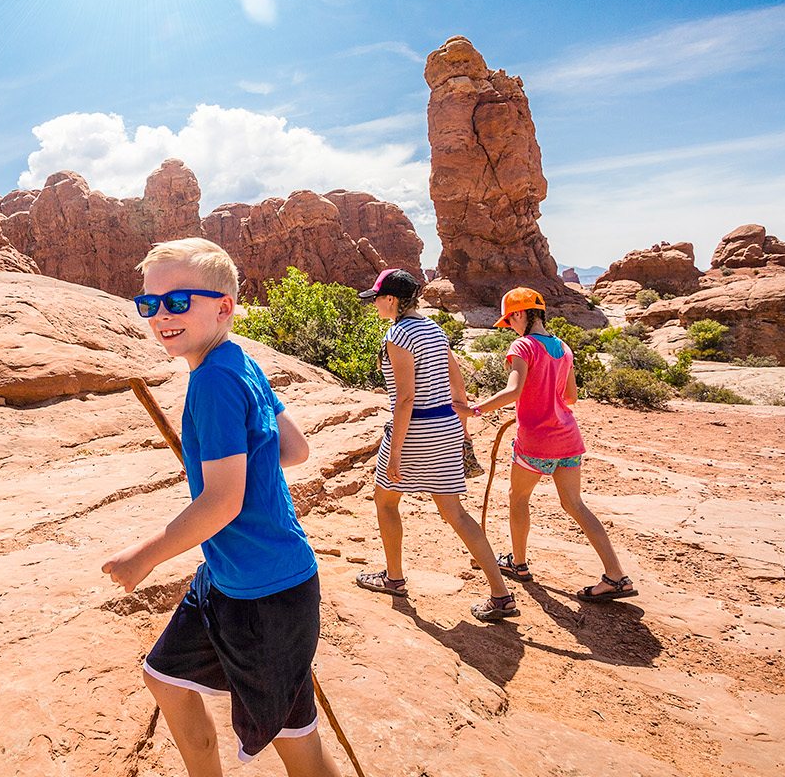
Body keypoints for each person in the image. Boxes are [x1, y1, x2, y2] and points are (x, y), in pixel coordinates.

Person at [102, 238, 340, 776]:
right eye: (149, 304)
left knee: (296, 743)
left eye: (178, 301)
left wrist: (145, 555)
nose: (161, 315)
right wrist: (239, 455)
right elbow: (295, 449)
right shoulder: (238, 360)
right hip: (232, 577)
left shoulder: (212, 381)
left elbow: (223, 503)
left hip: (266, 594)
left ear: (223, 306)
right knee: (165, 677)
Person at [353, 269, 519, 622]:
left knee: (385, 500)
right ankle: (501, 594)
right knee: (455, 513)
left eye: (378, 299)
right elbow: (456, 380)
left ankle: (394, 578)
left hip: (415, 431)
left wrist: (394, 452)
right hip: (444, 428)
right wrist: (463, 427)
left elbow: (405, 399)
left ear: (392, 300)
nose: (376, 305)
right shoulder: (434, 328)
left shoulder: (398, 334)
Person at [464, 288, 638, 602]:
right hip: (568, 438)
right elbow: (570, 397)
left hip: (536, 441)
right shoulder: (563, 347)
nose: (511, 328)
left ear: (519, 314)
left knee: (518, 499)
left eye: (509, 321)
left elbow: (513, 391)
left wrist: (475, 409)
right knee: (574, 504)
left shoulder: (523, 345)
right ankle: (616, 575)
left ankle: (518, 564)